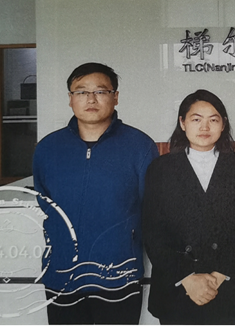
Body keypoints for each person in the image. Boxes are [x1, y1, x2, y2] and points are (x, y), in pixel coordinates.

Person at [32, 62, 158, 325]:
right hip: (62, 272)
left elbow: (151, 208)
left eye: (100, 91)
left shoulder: (140, 146)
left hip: (119, 274)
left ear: (115, 97)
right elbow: (45, 203)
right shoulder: (48, 148)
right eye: (81, 92)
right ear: (70, 99)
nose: (91, 99)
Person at [142, 89, 235, 326]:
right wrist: (187, 278)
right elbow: (153, 231)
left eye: (213, 120)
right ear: (182, 123)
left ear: (223, 124)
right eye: (196, 119)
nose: (205, 127)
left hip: (222, 287)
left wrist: (217, 276)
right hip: (176, 288)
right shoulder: (161, 168)